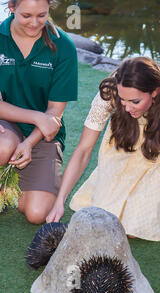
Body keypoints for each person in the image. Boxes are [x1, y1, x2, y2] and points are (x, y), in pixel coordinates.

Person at [46, 57, 160, 241]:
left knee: (136, 226)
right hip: (126, 143)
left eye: (135, 101)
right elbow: (83, 150)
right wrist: (59, 201)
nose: (127, 107)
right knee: (107, 219)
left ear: (154, 92)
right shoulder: (110, 92)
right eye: (122, 100)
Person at [0, 0, 78, 222]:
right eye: (26, 16)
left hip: (43, 135)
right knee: (3, 147)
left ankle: (14, 180)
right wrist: (36, 116)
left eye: (41, 15)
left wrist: (29, 143)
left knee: (36, 214)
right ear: (11, 8)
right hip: (6, 125)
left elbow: (54, 113)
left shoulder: (63, 46)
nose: (34, 23)